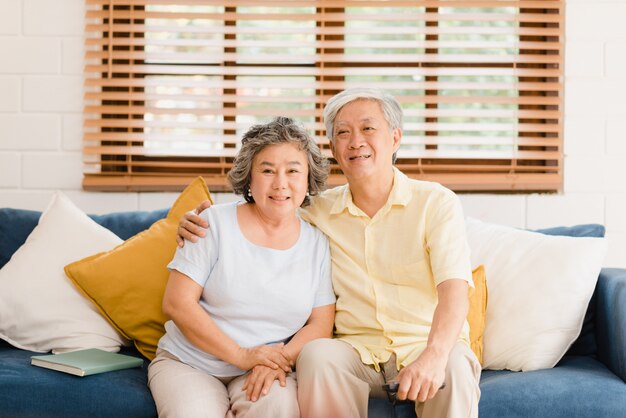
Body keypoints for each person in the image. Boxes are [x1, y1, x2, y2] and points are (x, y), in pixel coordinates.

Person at [178, 89, 481, 418]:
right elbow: (265, 209)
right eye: (342, 132)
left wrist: (435, 355)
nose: (355, 142)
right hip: (357, 352)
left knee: (455, 367)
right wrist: (200, 221)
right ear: (333, 148)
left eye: (368, 129)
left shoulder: (436, 202)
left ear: (395, 138)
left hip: (424, 344)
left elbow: (454, 290)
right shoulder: (317, 209)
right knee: (318, 355)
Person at [149, 116, 336, 418]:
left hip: (264, 367)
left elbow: (320, 324)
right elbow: (177, 303)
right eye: (267, 170)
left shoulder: (318, 243)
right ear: (249, 178)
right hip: (190, 363)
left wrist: (277, 359)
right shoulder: (212, 223)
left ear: (308, 180)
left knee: (280, 407)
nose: (280, 184)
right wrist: (242, 355)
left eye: (292, 171)